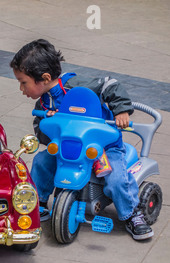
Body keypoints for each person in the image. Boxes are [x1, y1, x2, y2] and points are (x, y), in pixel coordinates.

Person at [10, 39, 153, 241]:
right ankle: (38, 203)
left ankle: (132, 215)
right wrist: (48, 125)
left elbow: (110, 84)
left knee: (116, 179)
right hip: (67, 147)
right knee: (42, 162)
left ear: (44, 78)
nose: (21, 88)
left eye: (23, 82)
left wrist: (121, 110)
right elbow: (40, 129)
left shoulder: (75, 86)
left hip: (102, 146)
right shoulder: (44, 102)